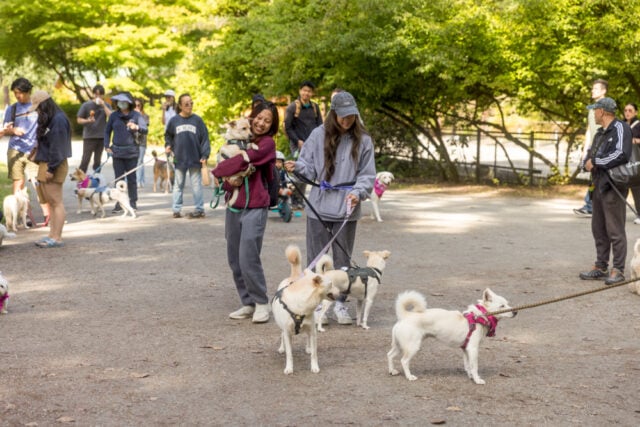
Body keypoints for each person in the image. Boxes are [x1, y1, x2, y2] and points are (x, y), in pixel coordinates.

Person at [284, 91, 376, 324]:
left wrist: (357, 193)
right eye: (342, 116)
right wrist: (297, 167)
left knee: (342, 258)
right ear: (334, 114)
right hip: (320, 203)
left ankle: (339, 304)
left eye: (350, 116)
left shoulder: (363, 140)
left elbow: (367, 175)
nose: (346, 121)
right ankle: (316, 305)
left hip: (347, 204)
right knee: (317, 257)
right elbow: (308, 168)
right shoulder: (318, 135)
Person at [212, 101, 279, 324]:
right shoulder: (244, 140)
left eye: (267, 121)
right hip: (234, 205)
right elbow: (228, 167)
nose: (261, 123)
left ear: (272, 125)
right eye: (258, 118)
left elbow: (234, 165)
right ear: (252, 117)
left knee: (248, 255)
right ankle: (247, 302)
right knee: (234, 257)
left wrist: (219, 170)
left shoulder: (267, 144)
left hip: (256, 205)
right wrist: (224, 171)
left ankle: (261, 302)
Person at [578, 97, 632, 285]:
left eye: (595, 110)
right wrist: (585, 163)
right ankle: (600, 266)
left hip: (614, 185)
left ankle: (618, 269)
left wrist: (596, 162)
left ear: (602, 111)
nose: (593, 114)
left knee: (615, 229)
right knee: (598, 228)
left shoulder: (621, 128)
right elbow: (591, 153)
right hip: (598, 184)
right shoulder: (600, 132)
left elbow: (621, 153)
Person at [1, 77, 50, 225]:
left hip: (34, 151)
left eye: (20, 93)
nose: (17, 96)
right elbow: (4, 130)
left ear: (28, 91)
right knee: (18, 182)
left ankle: (48, 215)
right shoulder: (12, 109)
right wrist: (13, 130)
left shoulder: (38, 107)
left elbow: (47, 127)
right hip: (15, 150)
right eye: (15, 93)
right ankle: (21, 216)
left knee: (38, 183)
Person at [30, 90, 72, 248]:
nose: (38, 112)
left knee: (56, 202)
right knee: (51, 202)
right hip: (46, 162)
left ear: (44, 105)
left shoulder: (58, 120)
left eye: (38, 108)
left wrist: (51, 169)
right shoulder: (52, 118)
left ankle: (57, 237)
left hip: (53, 164)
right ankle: (51, 234)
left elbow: (58, 147)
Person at [164, 93, 210, 219]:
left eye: (191, 103)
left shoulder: (198, 120)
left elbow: (205, 138)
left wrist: (205, 154)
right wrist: (168, 145)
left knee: (196, 185)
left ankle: (199, 209)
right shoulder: (174, 121)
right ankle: (176, 209)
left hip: (195, 157)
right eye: (186, 104)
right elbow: (168, 136)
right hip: (179, 158)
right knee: (178, 185)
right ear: (180, 106)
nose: (189, 106)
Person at [104, 92, 147, 213]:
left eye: (124, 101)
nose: (121, 103)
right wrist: (106, 145)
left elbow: (145, 129)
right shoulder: (113, 116)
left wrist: (136, 127)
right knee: (119, 178)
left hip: (132, 151)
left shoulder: (136, 115)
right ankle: (119, 203)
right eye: (119, 101)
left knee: (132, 178)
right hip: (117, 151)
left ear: (129, 102)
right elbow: (107, 131)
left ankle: (132, 202)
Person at [284, 80, 323, 209]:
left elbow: (320, 126)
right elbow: (288, 127)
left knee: (308, 171)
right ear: (300, 91)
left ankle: (299, 200)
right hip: (298, 144)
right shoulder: (292, 107)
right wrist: (298, 141)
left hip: (312, 144)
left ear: (312, 93)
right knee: (298, 170)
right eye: (304, 90)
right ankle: (294, 199)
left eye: (309, 91)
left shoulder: (315, 107)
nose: (306, 93)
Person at [574, 79, 608, 217]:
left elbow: (609, 128)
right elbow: (589, 129)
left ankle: (591, 205)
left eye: (595, 89)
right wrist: (585, 149)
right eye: (592, 88)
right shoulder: (592, 108)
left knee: (599, 178)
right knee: (594, 178)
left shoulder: (607, 107)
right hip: (593, 148)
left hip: (603, 147)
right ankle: (591, 205)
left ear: (603, 91)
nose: (592, 91)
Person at [77, 84, 112, 173]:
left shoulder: (106, 105)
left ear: (103, 95)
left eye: (100, 94)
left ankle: (96, 180)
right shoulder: (86, 105)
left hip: (101, 136)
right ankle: (81, 181)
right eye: (96, 94)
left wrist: (103, 105)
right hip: (89, 136)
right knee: (85, 160)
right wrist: (87, 120)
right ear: (93, 94)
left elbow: (111, 117)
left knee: (97, 161)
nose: (98, 96)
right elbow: (79, 120)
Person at [622, 103, 640, 223]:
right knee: (621, 185)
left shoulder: (638, 125)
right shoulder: (621, 125)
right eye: (625, 110)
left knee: (636, 188)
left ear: (636, 112)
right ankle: (618, 213)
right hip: (624, 161)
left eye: (630, 110)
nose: (627, 112)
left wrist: (635, 140)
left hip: (636, 160)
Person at [134, 98, 150, 188]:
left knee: (140, 161)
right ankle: (141, 180)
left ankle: (138, 181)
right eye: (135, 105)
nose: (136, 107)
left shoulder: (145, 116)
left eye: (138, 105)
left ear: (141, 106)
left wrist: (139, 116)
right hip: (132, 141)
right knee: (138, 161)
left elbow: (145, 127)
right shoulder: (131, 116)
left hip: (142, 142)